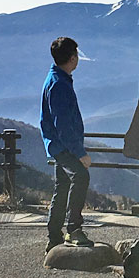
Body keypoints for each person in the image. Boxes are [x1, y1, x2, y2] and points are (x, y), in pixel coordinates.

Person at [40, 36, 94, 252]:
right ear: (72, 58)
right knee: (81, 176)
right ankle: (74, 229)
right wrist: (80, 152)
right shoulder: (60, 84)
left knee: (62, 186)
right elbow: (62, 124)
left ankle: (54, 237)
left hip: (56, 144)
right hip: (63, 145)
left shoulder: (55, 78)